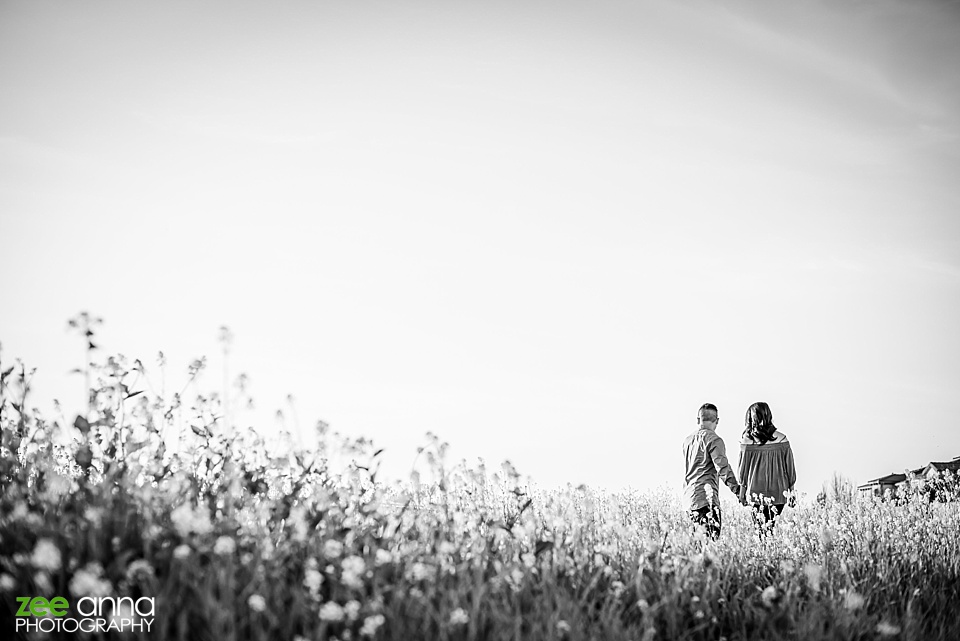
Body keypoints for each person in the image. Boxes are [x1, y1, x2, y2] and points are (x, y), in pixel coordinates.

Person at [683, 403, 741, 540]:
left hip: (689, 499)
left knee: (696, 546)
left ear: (698, 420)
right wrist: (737, 490)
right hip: (706, 500)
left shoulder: (687, 440)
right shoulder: (715, 440)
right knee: (710, 544)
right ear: (717, 421)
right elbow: (722, 468)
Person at [738, 402, 797, 536]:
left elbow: (743, 469)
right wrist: (791, 492)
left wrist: (742, 491)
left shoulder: (747, 440)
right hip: (779, 493)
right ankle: (769, 552)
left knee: (760, 530)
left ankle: (764, 554)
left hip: (755, 493)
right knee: (769, 527)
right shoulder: (782, 439)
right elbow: (790, 468)